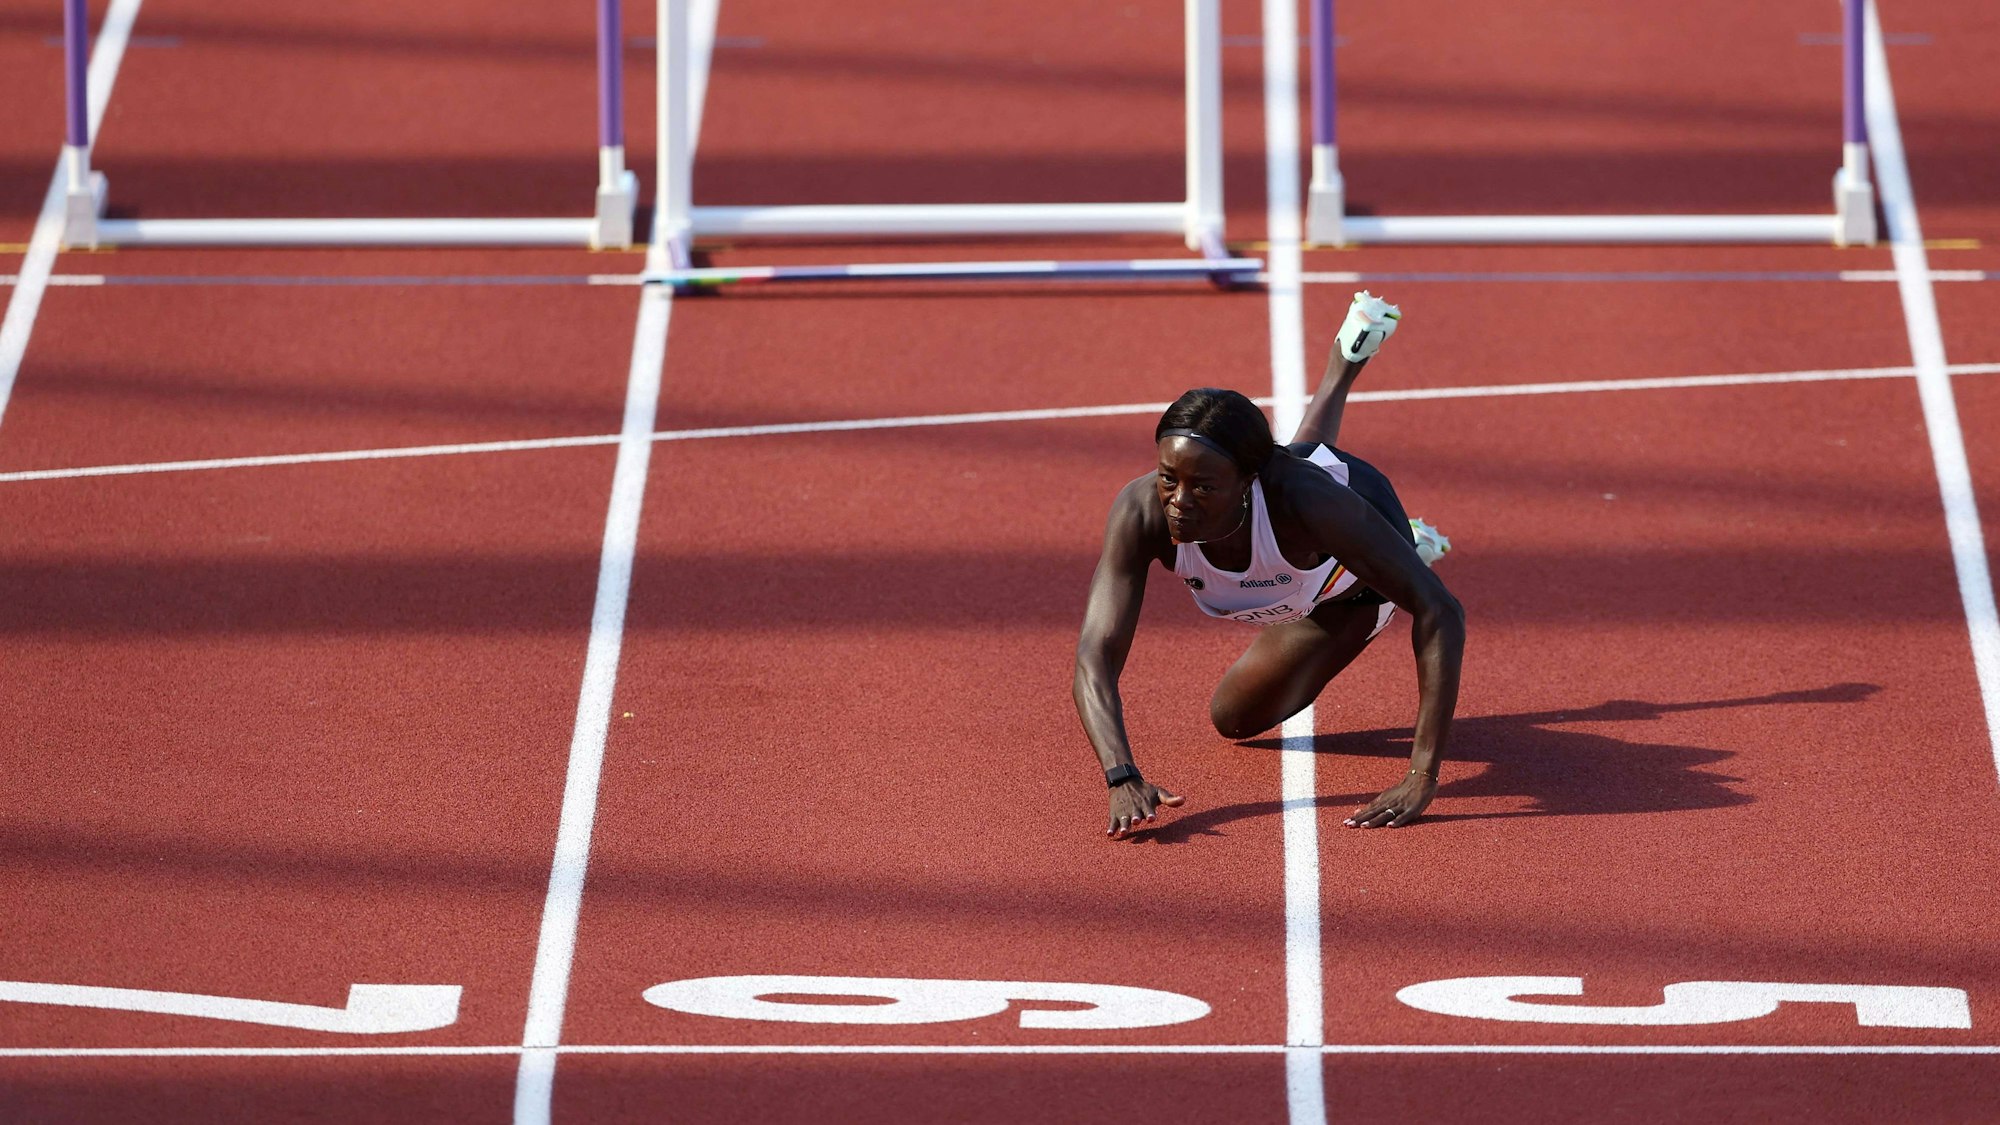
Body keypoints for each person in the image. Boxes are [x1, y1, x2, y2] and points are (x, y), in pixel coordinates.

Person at [1073, 293, 1464, 839]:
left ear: (1247, 482)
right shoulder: (1142, 512)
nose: (1178, 502)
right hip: (1292, 543)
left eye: (1202, 487)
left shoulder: (1309, 503)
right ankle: (1346, 362)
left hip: (1346, 587)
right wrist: (1121, 775)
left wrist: (1422, 774)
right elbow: (1095, 654)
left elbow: (1442, 610)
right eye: (1168, 478)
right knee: (1233, 721)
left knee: (1319, 488)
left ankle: (1400, 551)